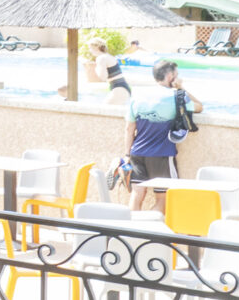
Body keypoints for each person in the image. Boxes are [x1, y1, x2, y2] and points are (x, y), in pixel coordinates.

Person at [124, 59, 201, 210]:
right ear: (170, 75)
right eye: (176, 74)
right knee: (164, 200)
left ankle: (132, 231)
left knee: (137, 194)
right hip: (162, 154)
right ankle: (149, 229)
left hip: (136, 153)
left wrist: (127, 154)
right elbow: (199, 107)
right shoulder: (176, 96)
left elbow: (129, 128)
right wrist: (181, 87)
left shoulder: (137, 96)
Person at [86, 36, 132, 104]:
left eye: (90, 48)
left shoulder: (101, 58)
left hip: (118, 88)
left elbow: (103, 77)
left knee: (102, 110)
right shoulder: (108, 56)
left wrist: (95, 69)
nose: (90, 50)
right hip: (122, 87)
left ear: (96, 47)